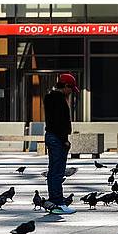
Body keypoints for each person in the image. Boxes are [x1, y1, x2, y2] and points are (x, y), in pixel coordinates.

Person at [43, 73, 79, 214]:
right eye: (71, 89)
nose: (71, 92)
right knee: (57, 171)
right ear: (65, 86)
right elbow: (59, 122)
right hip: (57, 138)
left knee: (53, 171)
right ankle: (57, 202)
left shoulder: (49, 97)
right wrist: (64, 140)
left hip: (51, 136)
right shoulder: (59, 100)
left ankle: (55, 201)